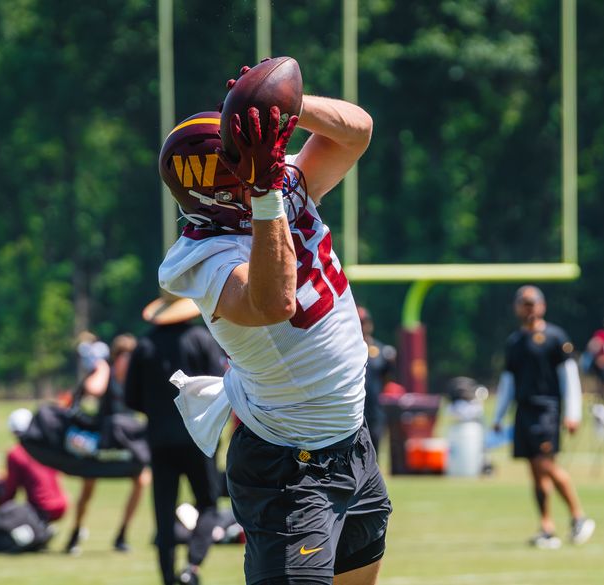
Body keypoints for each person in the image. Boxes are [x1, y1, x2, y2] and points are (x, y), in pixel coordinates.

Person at [156, 67, 391, 585]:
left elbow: (357, 132)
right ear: (224, 192)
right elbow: (272, 301)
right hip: (290, 466)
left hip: (350, 440)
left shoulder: (276, 191)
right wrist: (263, 194)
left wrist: (283, 106)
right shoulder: (204, 258)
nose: (275, 164)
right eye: (252, 161)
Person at [124, 293, 228, 585]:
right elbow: (220, 386)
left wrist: (159, 412)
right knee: (208, 505)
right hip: (199, 438)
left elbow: (132, 397)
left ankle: (168, 577)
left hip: (159, 441)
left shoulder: (144, 345)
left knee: (164, 512)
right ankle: (191, 568)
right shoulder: (201, 339)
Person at [491, 285, 594, 549]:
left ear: (542, 306)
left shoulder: (555, 337)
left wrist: (573, 413)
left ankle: (579, 516)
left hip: (547, 410)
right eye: (522, 303)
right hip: (524, 411)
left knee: (546, 464)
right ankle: (547, 527)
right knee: (536, 472)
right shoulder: (515, 342)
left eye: (531, 303)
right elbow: (508, 381)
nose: (527, 308)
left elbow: (569, 377)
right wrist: (499, 414)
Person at [64, 333, 152, 555]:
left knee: (142, 481)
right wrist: (102, 367)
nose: (130, 362)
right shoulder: (106, 373)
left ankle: (122, 535)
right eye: (125, 357)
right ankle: (75, 533)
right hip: (103, 440)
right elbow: (94, 390)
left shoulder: (138, 379)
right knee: (88, 488)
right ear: (116, 357)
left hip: (126, 442)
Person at [0, 409, 69, 525]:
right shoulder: (47, 446)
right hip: (62, 504)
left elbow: (11, 491)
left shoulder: (16, 453)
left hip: (40, 508)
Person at [357, 305, 397, 452]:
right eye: (359, 322)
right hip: (353, 409)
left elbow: (387, 379)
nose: (363, 326)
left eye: (364, 322)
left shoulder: (382, 351)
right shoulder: (345, 351)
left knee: (374, 448)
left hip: (374, 409)